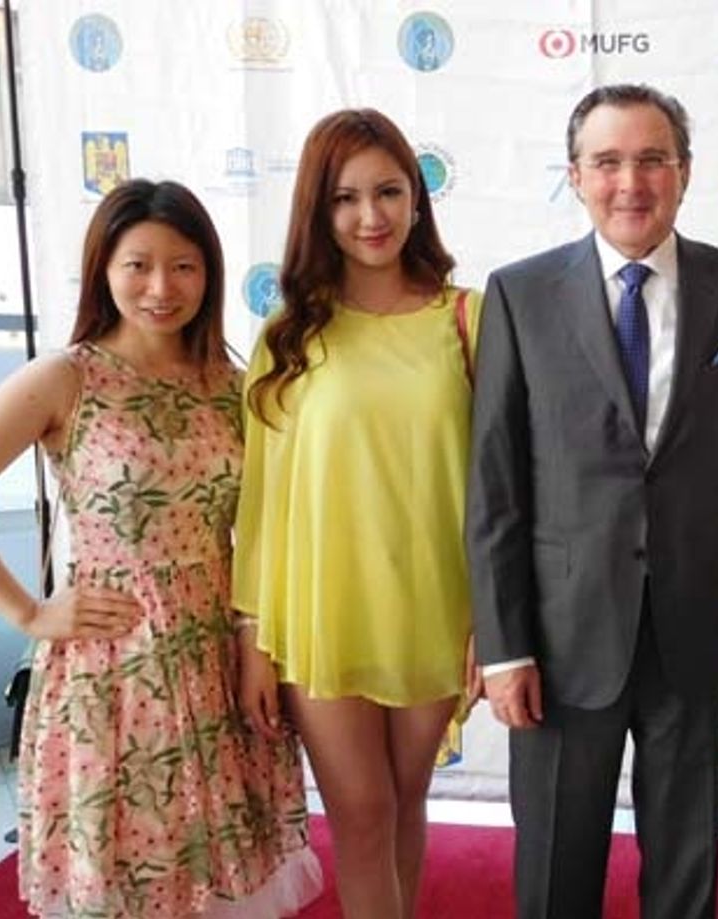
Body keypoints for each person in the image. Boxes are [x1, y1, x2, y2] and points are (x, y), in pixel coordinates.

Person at [465, 83, 718, 919]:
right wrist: (503, 648)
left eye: (652, 160)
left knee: (687, 871)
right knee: (557, 871)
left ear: (685, 172)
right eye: (607, 162)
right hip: (563, 641)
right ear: (575, 175)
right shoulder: (520, 295)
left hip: (696, 633)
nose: (630, 182)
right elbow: (495, 487)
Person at [0, 179, 319, 917]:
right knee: (135, 874)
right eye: (139, 265)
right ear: (104, 268)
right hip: (113, 670)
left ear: (209, 273)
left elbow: (260, 532)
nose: (162, 287)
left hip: (218, 658)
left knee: (219, 871)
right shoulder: (67, 376)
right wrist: (29, 613)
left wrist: (256, 645)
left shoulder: (233, 386)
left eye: (184, 265)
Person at [233, 108, 481, 919]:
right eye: (345, 198)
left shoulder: (467, 319)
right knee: (362, 815)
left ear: (417, 198)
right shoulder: (288, 339)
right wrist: (254, 640)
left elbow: (504, 487)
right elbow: (263, 505)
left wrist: (496, 619)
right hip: (319, 617)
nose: (370, 216)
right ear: (318, 210)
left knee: (405, 806)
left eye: (387, 191)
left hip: (434, 608)